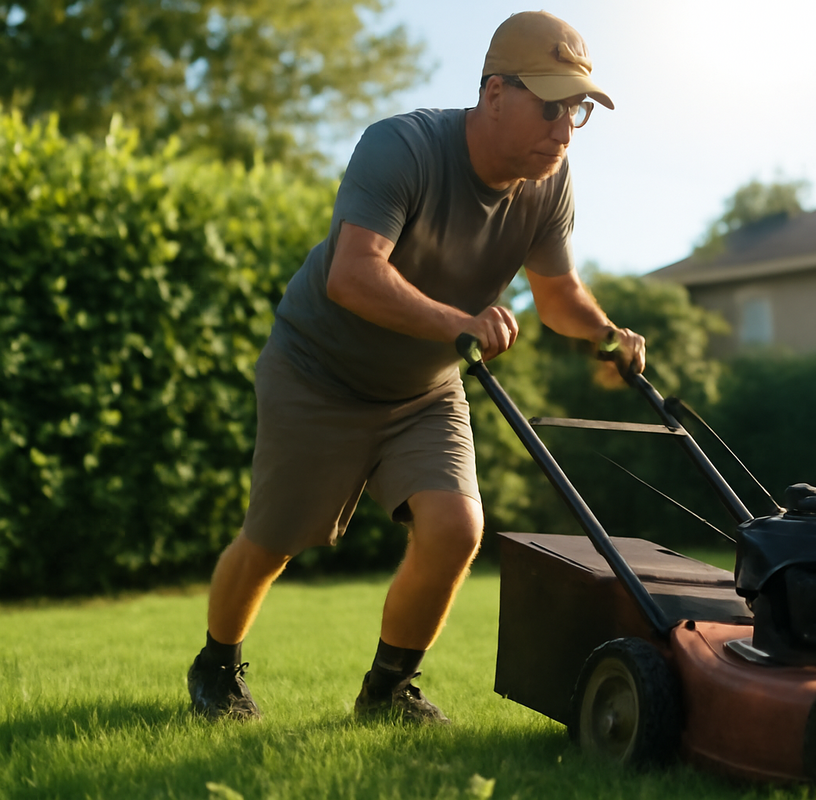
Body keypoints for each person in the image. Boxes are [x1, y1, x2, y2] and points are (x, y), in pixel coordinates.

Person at [186, 10, 645, 724]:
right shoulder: (402, 147)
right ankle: (215, 665)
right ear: (495, 93)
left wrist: (606, 333)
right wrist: (459, 322)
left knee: (457, 527)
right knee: (274, 541)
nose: (564, 128)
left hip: (425, 387)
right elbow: (352, 275)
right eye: (551, 105)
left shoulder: (548, 181)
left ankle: (387, 691)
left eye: (577, 110)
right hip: (319, 371)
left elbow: (557, 295)